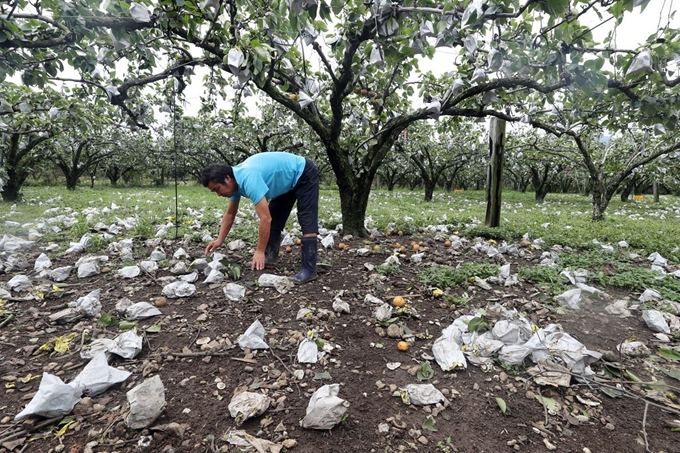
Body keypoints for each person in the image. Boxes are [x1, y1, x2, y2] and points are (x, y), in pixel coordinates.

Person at [201, 152, 319, 283]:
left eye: (217, 189)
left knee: (307, 218)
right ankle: (269, 258)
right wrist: (219, 240)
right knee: (275, 219)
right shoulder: (235, 183)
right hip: (287, 181)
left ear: (227, 178)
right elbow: (230, 214)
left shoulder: (248, 178)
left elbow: (265, 218)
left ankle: (309, 270)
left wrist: (259, 251)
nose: (218, 194)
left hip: (303, 172)